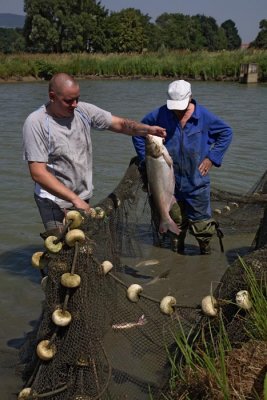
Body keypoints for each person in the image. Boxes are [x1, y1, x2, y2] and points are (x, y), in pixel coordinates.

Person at [23, 73, 166, 233]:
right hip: (54, 201)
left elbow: (120, 124)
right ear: (52, 96)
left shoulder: (83, 110)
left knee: (82, 243)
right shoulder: (36, 123)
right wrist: (74, 199)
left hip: (81, 196)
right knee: (62, 246)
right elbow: (38, 173)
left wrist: (147, 130)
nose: (75, 104)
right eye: (69, 101)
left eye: (77, 98)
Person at [132, 80, 233, 255]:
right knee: (175, 223)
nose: (177, 110)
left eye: (181, 106)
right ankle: (177, 255)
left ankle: (205, 252)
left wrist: (212, 158)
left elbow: (226, 133)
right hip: (168, 184)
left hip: (197, 182)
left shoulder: (204, 117)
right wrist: (146, 160)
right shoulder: (159, 115)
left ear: (191, 98)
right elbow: (138, 134)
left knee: (202, 226)